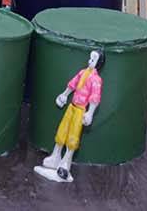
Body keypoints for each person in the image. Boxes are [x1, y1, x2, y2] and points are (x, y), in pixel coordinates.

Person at [34, 49, 102, 183]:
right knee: (63, 130)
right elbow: (73, 84)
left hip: (80, 110)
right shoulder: (82, 73)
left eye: (93, 60)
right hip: (72, 107)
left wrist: (90, 113)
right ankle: (55, 157)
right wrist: (64, 95)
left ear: (98, 63)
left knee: (73, 136)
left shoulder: (96, 80)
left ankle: (65, 163)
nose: (89, 61)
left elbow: (95, 97)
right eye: (90, 58)